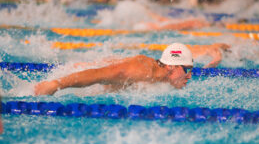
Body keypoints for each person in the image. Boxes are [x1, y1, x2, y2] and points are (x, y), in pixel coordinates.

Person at [34, 43, 230, 96]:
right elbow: (96, 75)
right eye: (187, 70)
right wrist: (56, 84)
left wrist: (217, 52)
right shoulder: (142, 71)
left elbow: (195, 49)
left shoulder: (165, 74)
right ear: (171, 66)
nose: (190, 76)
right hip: (86, 71)